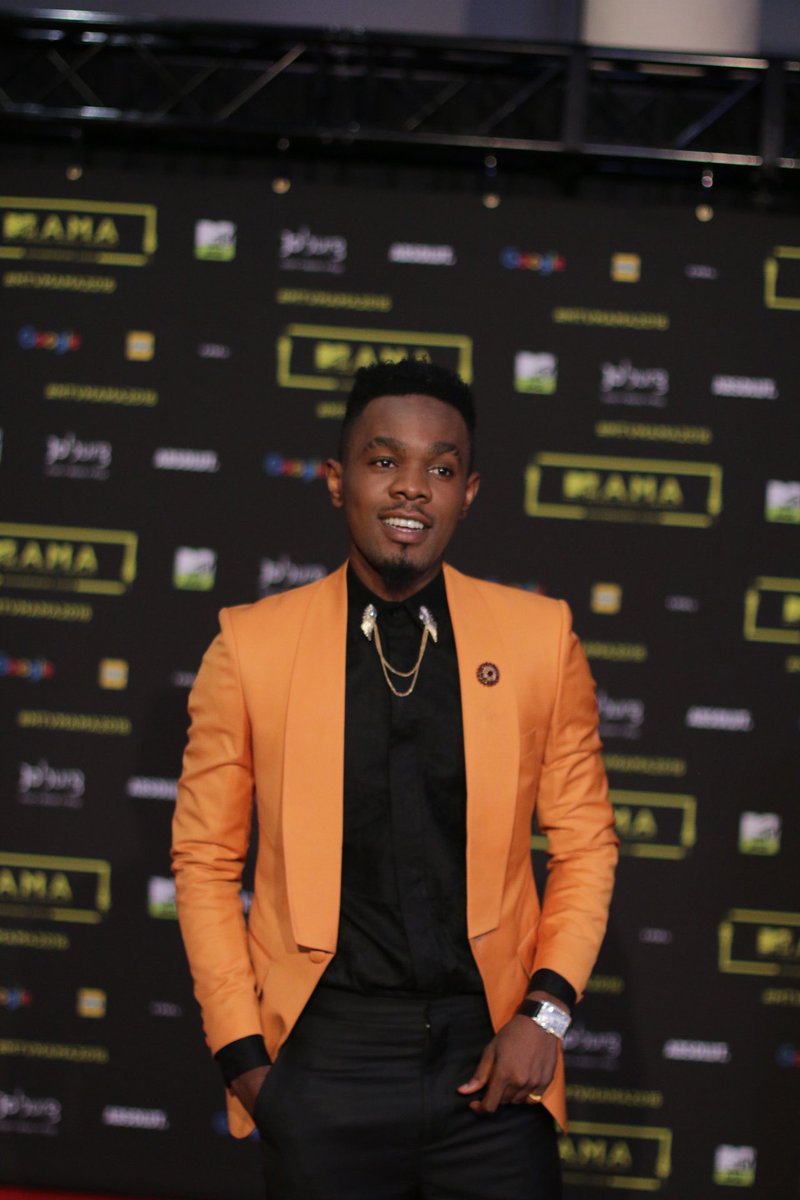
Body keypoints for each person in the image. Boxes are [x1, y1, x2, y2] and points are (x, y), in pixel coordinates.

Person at [172, 357, 618, 1200]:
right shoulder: (251, 645)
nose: (412, 487)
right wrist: (244, 1060)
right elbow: (204, 862)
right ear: (337, 480)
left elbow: (587, 845)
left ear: (468, 493)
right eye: (384, 461)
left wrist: (545, 1015)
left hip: (492, 1055)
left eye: (439, 469)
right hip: (324, 1059)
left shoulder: (538, 639)